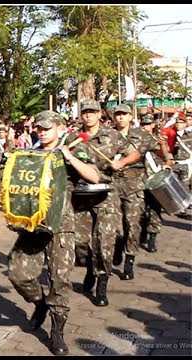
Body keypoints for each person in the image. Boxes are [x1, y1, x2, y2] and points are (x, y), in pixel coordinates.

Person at [0, 110, 101, 355]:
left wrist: (69, 157)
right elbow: (13, 182)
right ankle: (40, 303)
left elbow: (93, 175)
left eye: (47, 128)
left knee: (59, 279)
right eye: (38, 128)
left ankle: (57, 330)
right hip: (32, 224)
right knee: (18, 273)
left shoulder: (71, 147)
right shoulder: (30, 153)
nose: (42, 131)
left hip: (61, 224)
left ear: (60, 128)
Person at [70, 99, 138, 307]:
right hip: (81, 195)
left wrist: (122, 162)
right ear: (81, 115)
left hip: (106, 194)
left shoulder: (113, 136)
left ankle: (101, 281)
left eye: (92, 112)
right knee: (79, 241)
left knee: (104, 240)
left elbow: (134, 153)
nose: (88, 115)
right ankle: (90, 267)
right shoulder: (73, 137)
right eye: (85, 112)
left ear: (100, 114)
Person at [111, 104, 158, 281]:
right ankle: (117, 248)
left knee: (133, 224)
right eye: (118, 115)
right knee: (114, 224)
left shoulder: (141, 134)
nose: (121, 117)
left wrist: (167, 159)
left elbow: (158, 146)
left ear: (131, 116)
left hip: (135, 183)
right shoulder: (109, 135)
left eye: (124, 114)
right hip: (114, 183)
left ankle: (129, 262)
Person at [139, 114, 174, 252]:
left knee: (154, 210)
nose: (145, 127)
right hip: (140, 181)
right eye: (143, 124)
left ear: (153, 125)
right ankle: (141, 232)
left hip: (155, 180)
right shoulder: (136, 141)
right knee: (141, 210)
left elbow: (168, 158)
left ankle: (152, 238)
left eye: (148, 124)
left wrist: (167, 164)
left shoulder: (158, 140)